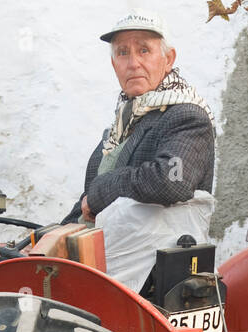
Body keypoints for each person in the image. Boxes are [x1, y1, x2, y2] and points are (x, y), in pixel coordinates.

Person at [65, 11, 217, 290]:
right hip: (104, 269)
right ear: (114, 64)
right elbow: (87, 205)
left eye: (144, 50)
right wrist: (51, 236)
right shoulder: (121, 126)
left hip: (152, 283)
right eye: (123, 53)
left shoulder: (187, 116)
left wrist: (99, 193)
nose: (133, 63)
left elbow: (171, 181)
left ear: (168, 59)